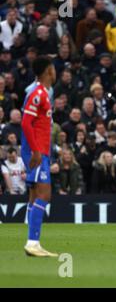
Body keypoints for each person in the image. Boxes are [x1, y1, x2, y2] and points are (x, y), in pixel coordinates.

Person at [20, 56, 58, 257]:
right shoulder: (37, 93)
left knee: (35, 196)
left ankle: (32, 242)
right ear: (47, 71)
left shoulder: (43, 93)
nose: (55, 72)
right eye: (53, 68)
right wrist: (36, 151)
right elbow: (26, 123)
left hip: (40, 151)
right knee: (44, 195)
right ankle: (33, 242)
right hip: (36, 152)